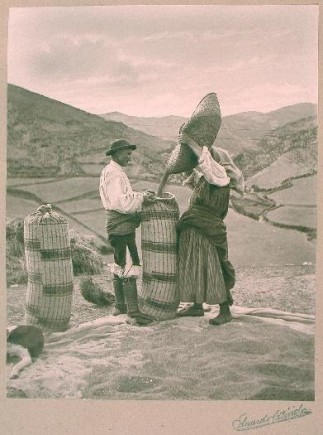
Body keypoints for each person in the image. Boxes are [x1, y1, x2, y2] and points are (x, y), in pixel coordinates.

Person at [176, 131, 244, 325]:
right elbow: (196, 173)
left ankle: (225, 310)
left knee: (212, 265)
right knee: (196, 264)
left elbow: (207, 163)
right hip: (195, 227)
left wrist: (190, 141)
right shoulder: (207, 179)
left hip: (208, 229)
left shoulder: (220, 176)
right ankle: (197, 306)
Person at [99, 138, 156, 325]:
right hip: (121, 226)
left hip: (116, 225)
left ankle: (120, 305)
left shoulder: (111, 171)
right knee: (129, 263)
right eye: (127, 154)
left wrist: (138, 196)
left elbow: (121, 198)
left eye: (130, 154)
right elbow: (121, 203)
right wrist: (142, 197)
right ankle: (133, 312)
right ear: (116, 154)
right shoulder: (115, 174)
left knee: (119, 262)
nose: (130, 158)